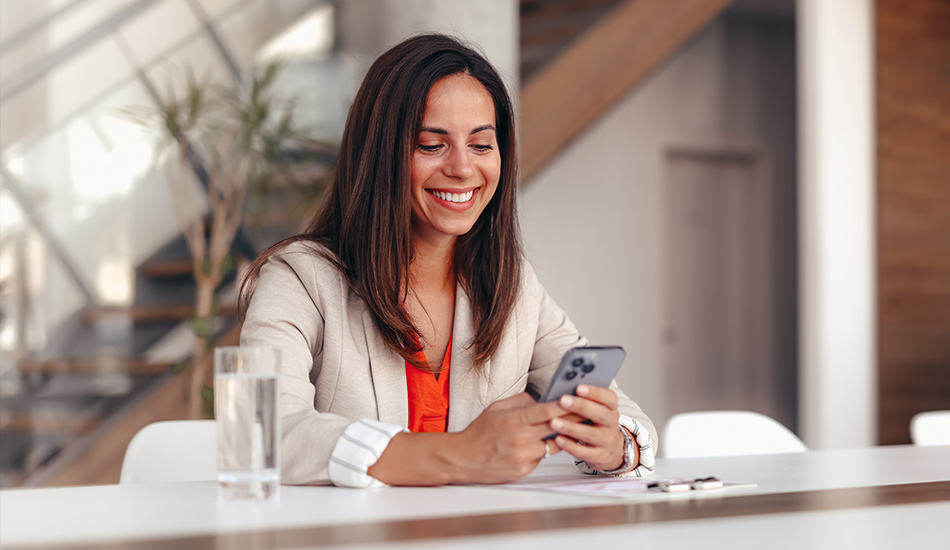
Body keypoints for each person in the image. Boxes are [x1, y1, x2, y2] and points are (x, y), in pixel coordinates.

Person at [238, 33, 656, 487]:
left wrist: (617, 446)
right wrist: (460, 455)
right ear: (380, 154)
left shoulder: (510, 284)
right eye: (431, 144)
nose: (462, 168)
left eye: (481, 145)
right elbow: (263, 433)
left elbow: (629, 418)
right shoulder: (300, 278)